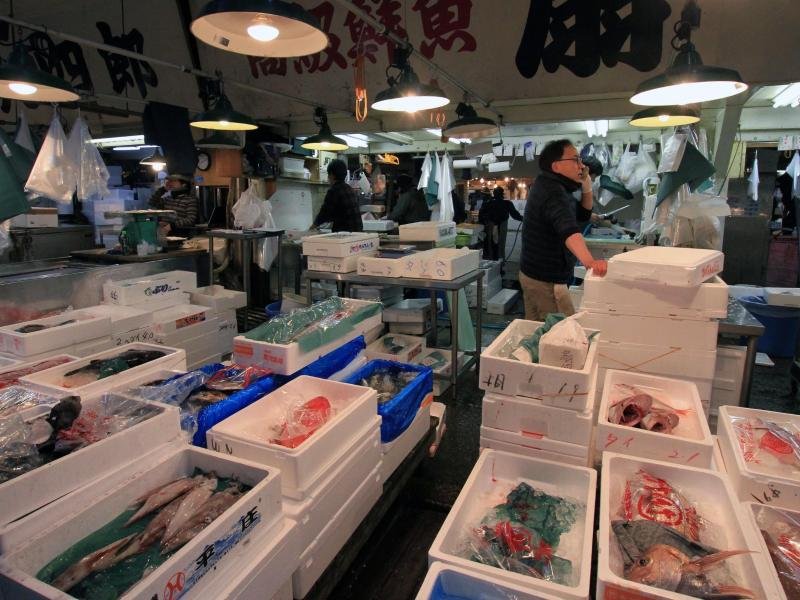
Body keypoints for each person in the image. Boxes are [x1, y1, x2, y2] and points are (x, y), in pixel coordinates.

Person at [519, 139, 608, 320]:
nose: (581, 166)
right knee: (561, 335)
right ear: (557, 166)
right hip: (545, 281)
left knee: (537, 330)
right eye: (576, 160)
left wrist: (586, 186)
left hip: (534, 274)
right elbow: (568, 229)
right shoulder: (553, 191)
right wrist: (590, 263)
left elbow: (582, 215)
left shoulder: (553, 185)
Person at [311, 158, 363, 232]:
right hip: (358, 234)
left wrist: (312, 227)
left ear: (332, 175)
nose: (328, 177)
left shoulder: (334, 191)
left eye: (328, 174)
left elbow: (324, 213)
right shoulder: (350, 189)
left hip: (344, 235)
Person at [479, 186, 523, 262]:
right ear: (502, 194)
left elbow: (481, 215)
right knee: (500, 246)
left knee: (491, 246)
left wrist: (483, 224)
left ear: (494, 194)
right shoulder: (507, 203)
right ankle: (500, 264)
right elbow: (515, 215)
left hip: (491, 226)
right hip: (502, 226)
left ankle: (491, 263)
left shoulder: (488, 203)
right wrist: (524, 219)